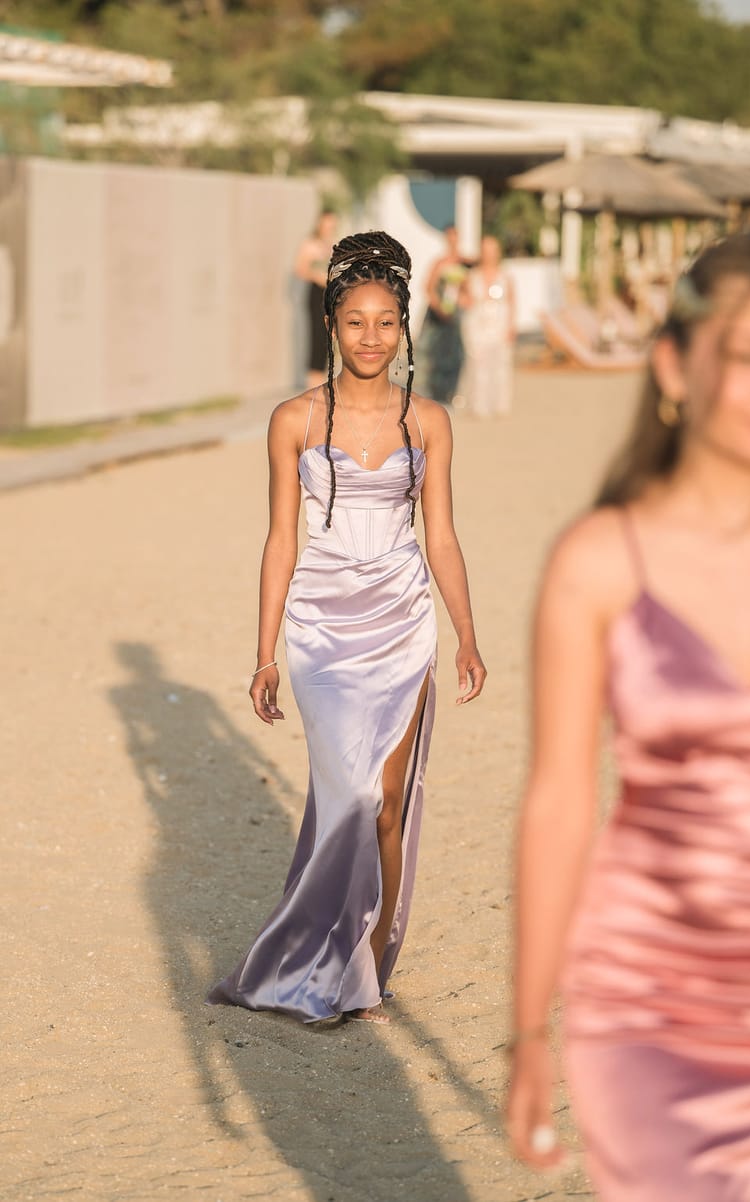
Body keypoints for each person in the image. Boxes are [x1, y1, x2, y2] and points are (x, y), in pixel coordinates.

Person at [507, 231, 750, 1199]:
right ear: (673, 364)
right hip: (649, 1008)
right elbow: (558, 802)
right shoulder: (595, 561)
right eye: (746, 356)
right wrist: (528, 1028)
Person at [208, 231, 486, 1025]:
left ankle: (367, 964)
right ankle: (307, 952)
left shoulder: (428, 421)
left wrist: (464, 632)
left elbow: (442, 538)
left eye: (387, 321)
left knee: (390, 801)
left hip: (403, 620)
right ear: (332, 323)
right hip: (322, 629)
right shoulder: (292, 420)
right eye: (356, 321)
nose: (372, 336)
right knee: (349, 794)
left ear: (406, 326)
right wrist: (263, 652)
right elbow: (279, 539)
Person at [461, 235, 516, 418]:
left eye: (492, 250)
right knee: (478, 363)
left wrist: (511, 326)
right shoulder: (471, 275)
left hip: (499, 322)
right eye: (485, 250)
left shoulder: (505, 276)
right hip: (477, 323)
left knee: (501, 364)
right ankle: (478, 404)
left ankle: (499, 404)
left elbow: (513, 301)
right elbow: (463, 296)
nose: (489, 255)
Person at [417, 225, 470, 406]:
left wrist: (464, 300)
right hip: (439, 315)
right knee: (435, 354)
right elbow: (428, 287)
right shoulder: (440, 263)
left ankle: (451, 391)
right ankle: (435, 393)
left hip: (456, 315)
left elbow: (469, 291)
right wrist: (439, 307)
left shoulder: (464, 262)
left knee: (456, 354)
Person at [293, 209, 338, 388]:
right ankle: (312, 384)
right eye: (327, 223)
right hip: (316, 293)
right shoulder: (310, 244)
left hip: (330, 295)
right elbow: (300, 269)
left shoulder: (333, 244)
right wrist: (317, 276)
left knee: (328, 337)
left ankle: (323, 382)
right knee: (317, 338)